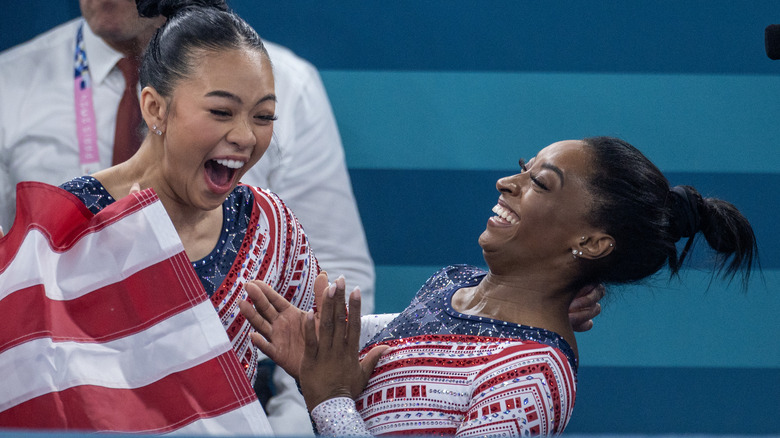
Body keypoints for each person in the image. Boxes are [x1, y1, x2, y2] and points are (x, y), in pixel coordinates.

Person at [0, 1, 373, 433]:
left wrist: (320, 393)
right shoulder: (67, 230)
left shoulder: (269, 225)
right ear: (155, 108)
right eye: (220, 112)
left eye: (264, 116)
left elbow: (334, 349)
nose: (245, 136)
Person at [241, 136, 758, 436]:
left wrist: (329, 400)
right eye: (522, 169)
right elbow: (376, 352)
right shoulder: (451, 286)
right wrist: (317, 348)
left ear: (593, 242)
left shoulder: (533, 378)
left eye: (540, 182)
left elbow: (340, 395)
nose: (507, 183)